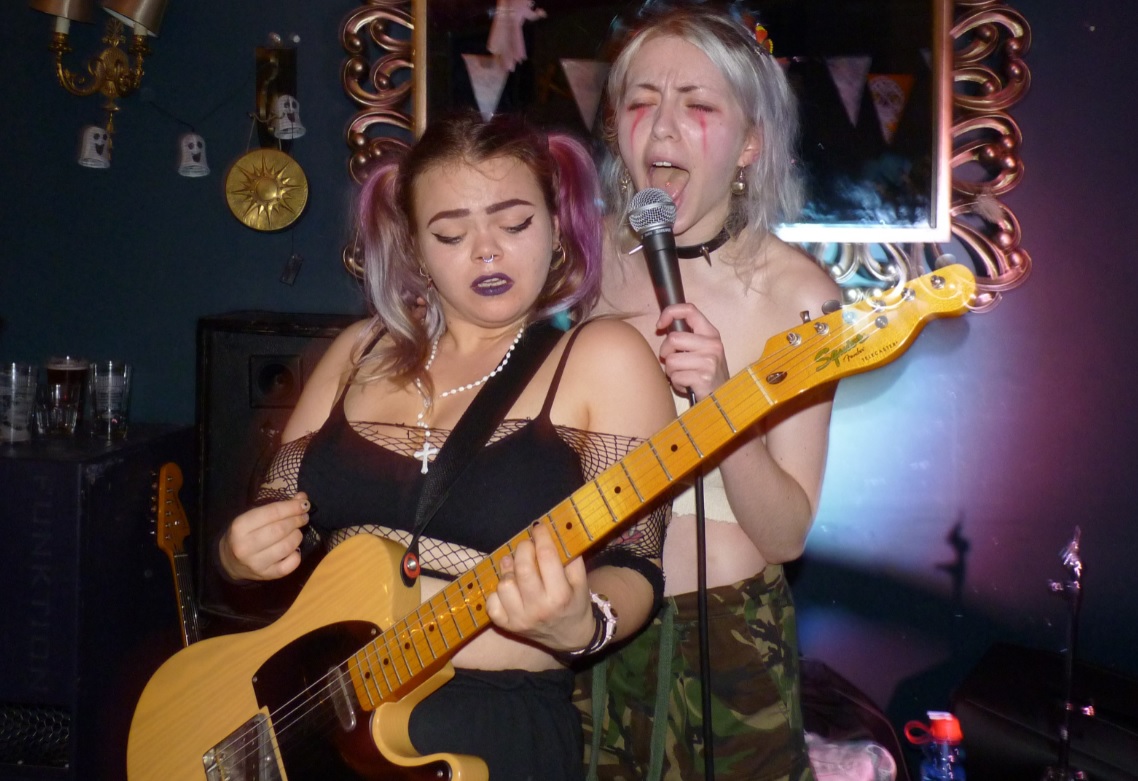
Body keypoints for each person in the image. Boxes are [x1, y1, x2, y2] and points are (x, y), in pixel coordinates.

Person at [215, 111, 676, 780]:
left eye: (513, 224)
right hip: (319, 718)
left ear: (557, 225)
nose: (486, 252)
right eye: (451, 234)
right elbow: (276, 512)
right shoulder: (358, 351)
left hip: (486, 721)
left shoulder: (603, 355)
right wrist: (239, 555)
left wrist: (583, 625)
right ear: (414, 248)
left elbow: (637, 561)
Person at [580, 6, 843, 781]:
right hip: (589, 624)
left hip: (726, 640)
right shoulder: (580, 265)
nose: (662, 126)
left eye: (696, 104)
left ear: (749, 143)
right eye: (640, 101)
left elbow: (787, 534)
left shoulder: (801, 297)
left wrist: (725, 404)